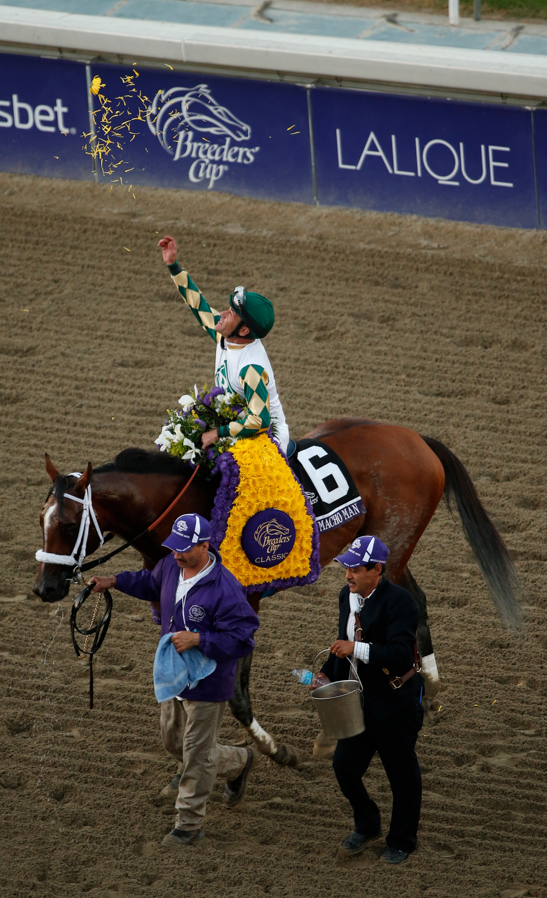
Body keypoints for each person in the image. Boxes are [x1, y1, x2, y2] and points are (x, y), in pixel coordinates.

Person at [90, 512, 259, 847]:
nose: (177, 554)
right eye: (174, 547)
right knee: (173, 742)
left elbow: (243, 638)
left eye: (184, 549)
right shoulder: (170, 566)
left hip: (209, 684)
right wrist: (115, 581)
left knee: (196, 755)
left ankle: (189, 825)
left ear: (205, 545)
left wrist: (200, 640)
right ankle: (240, 760)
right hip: (174, 674)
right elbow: (150, 583)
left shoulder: (226, 589)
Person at [315, 535, 423, 865]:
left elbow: (403, 655)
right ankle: (368, 824)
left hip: (395, 703)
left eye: (355, 569)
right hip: (360, 701)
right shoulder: (345, 598)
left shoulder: (401, 602)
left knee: (402, 775)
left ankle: (402, 840)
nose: (347, 575)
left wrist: (356, 649)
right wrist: (327, 674)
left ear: (376, 570)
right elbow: (341, 644)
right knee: (344, 766)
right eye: (346, 568)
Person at [157, 235, 290, 454]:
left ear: (244, 330)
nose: (225, 313)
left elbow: (259, 420)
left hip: (267, 440)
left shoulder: (251, 369)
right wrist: (173, 266)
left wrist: (218, 433)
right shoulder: (227, 337)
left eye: (232, 313)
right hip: (235, 424)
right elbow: (199, 307)